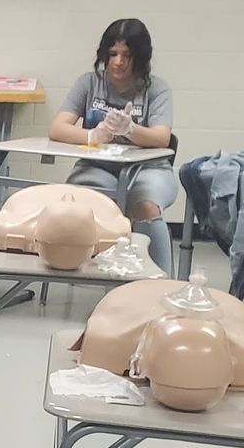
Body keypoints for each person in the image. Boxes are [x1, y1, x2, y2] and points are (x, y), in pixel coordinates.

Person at [48, 17, 178, 271]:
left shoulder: (157, 89)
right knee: (82, 201)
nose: (118, 62)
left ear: (140, 58)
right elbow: (57, 128)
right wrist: (91, 136)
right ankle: (87, 270)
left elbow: (162, 138)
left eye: (127, 55)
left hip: (148, 169)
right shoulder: (88, 83)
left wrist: (129, 129)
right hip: (97, 165)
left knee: (146, 205)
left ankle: (160, 281)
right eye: (113, 54)